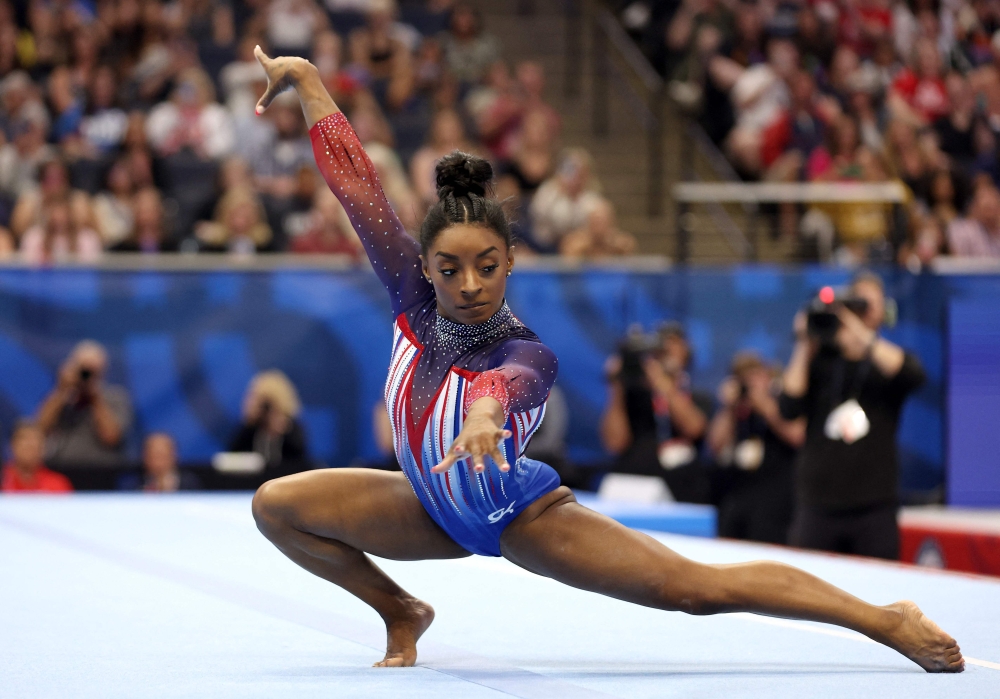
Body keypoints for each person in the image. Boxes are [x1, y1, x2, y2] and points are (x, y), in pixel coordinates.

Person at [249, 48, 964, 674]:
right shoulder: (410, 295)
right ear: (425, 268)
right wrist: (311, 81)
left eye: (487, 266)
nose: (468, 285)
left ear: (511, 262)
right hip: (430, 505)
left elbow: (503, 386)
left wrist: (486, 416)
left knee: (695, 589)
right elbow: (357, 187)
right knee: (278, 507)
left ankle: (883, 618)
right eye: (450, 268)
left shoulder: (525, 349)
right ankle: (402, 610)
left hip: (513, 513)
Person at [780, 272, 926, 560]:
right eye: (857, 303)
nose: (861, 312)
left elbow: (913, 376)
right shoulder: (820, 361)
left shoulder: (886, 363)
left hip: (874, 506)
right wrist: (804, 342)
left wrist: (859, 332)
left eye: (870, 305)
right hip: (818, 505)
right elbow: (789, 406)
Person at [599, 322, 714, 503]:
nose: (666, 349)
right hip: (634, 486)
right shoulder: (633, 396)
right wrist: (617, 387)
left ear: (687, 352)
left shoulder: (698, 397)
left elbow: (694, 428)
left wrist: (661, 381)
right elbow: (614, 444)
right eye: (661, 345)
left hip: (683, 489)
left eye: (673, 344)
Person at [708, 352, 804, 544]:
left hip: (777, 502)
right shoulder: (737, 411)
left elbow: (797, 435)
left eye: (755, 375)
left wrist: (765, 406)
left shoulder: (784, 400)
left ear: (768, 374)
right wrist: (729, 408)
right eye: (743, 379)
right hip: (737, 496)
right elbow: (715, 446)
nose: (750, 384)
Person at [35, 340, 133, 470]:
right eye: (83, 370)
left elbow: (111, 437)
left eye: (92, 371)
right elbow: (40, 429)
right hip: (61, 469)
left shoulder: (116, 397)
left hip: (101, 472)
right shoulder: (61, 397)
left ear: (102, 372)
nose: (86, 376)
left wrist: (95, 399)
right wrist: (61, 389)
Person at [228, 370, 309, 474]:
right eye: (262, 405)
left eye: (269, 405)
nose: (266, 411)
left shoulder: (292, 428)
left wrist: (282, 432)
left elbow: (300, 459)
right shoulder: (250, 429)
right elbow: (233, 456)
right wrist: (251, 424)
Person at [1, 422, 73, 493]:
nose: (30, 445)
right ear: (12, 445)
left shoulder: (58, 484)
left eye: (36, 441)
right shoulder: (3, 480)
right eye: (25, 440)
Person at [119, 433, 200, 492]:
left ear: (174, 456)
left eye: (162, 456)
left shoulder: (190, 483)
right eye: (153, 456)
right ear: (144, 457)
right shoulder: (131, 484)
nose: (158, 463)